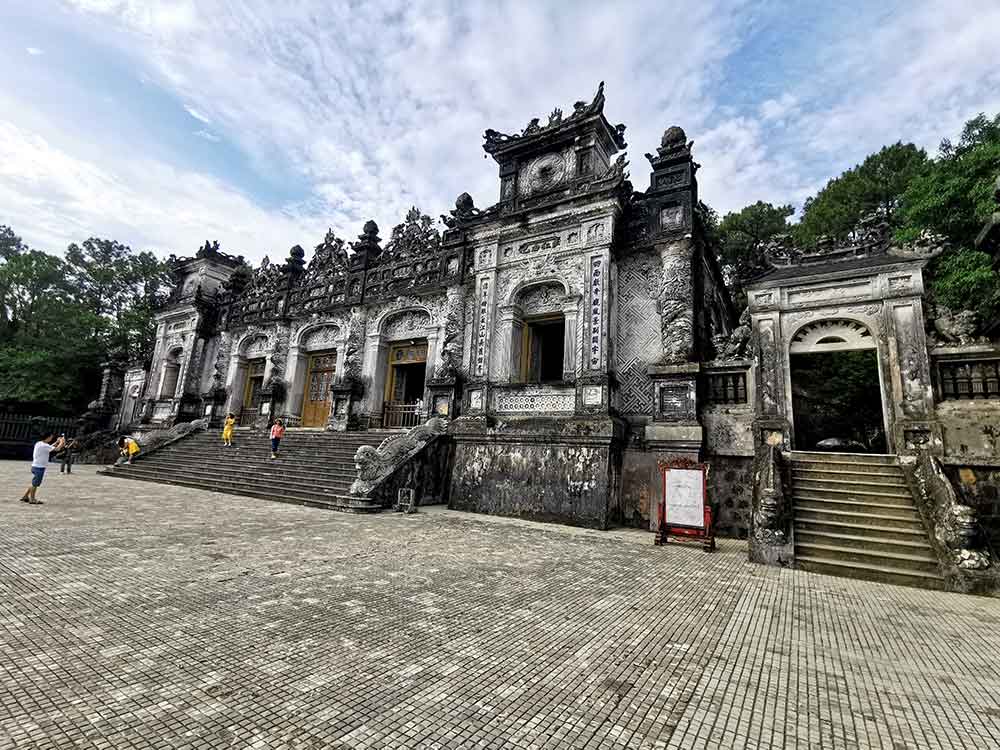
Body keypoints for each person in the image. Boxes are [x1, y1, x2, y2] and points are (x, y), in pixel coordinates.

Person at [20, 432, 65, 505]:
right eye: (51, 437)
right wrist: (62, 442)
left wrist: (56, 442)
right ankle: (32, 499)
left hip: (35, 466)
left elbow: (50, 447)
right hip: (39, 467)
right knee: (35, 484)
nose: (51, 438)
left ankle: (25, 496)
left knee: (34, 483)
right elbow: (57, 449)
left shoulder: (39, 443)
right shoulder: (44, 445)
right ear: (48, 437)